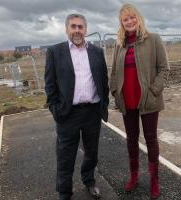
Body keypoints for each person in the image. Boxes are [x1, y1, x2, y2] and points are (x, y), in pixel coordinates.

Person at [44, 13, 109, 200]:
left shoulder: (97, 52)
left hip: (92, 112)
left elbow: (103, 80)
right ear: (67, 29)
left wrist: (103, 105)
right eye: (73, 26)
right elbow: (50, 83)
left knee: (91, 151)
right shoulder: (55, 52)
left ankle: (89, 181)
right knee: (65, 155)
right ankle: (64, 192)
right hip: (68, 113)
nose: (77, 30)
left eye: (80, 27)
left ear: (85, 29)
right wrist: (55, 108)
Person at [110, 4, 169, 199]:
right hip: (127, 103)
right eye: (125, 19)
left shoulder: (153, 39)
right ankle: (134, 176)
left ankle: (154, 182)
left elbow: (163, 69)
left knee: (151, 140)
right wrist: (115, 92)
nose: (129, 21)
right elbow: (113, 73)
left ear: (138, 18)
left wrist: (153, 91)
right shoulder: (119, 45)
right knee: (131, 140)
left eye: (132, 17)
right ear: (121, 23)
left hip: (148, 101)